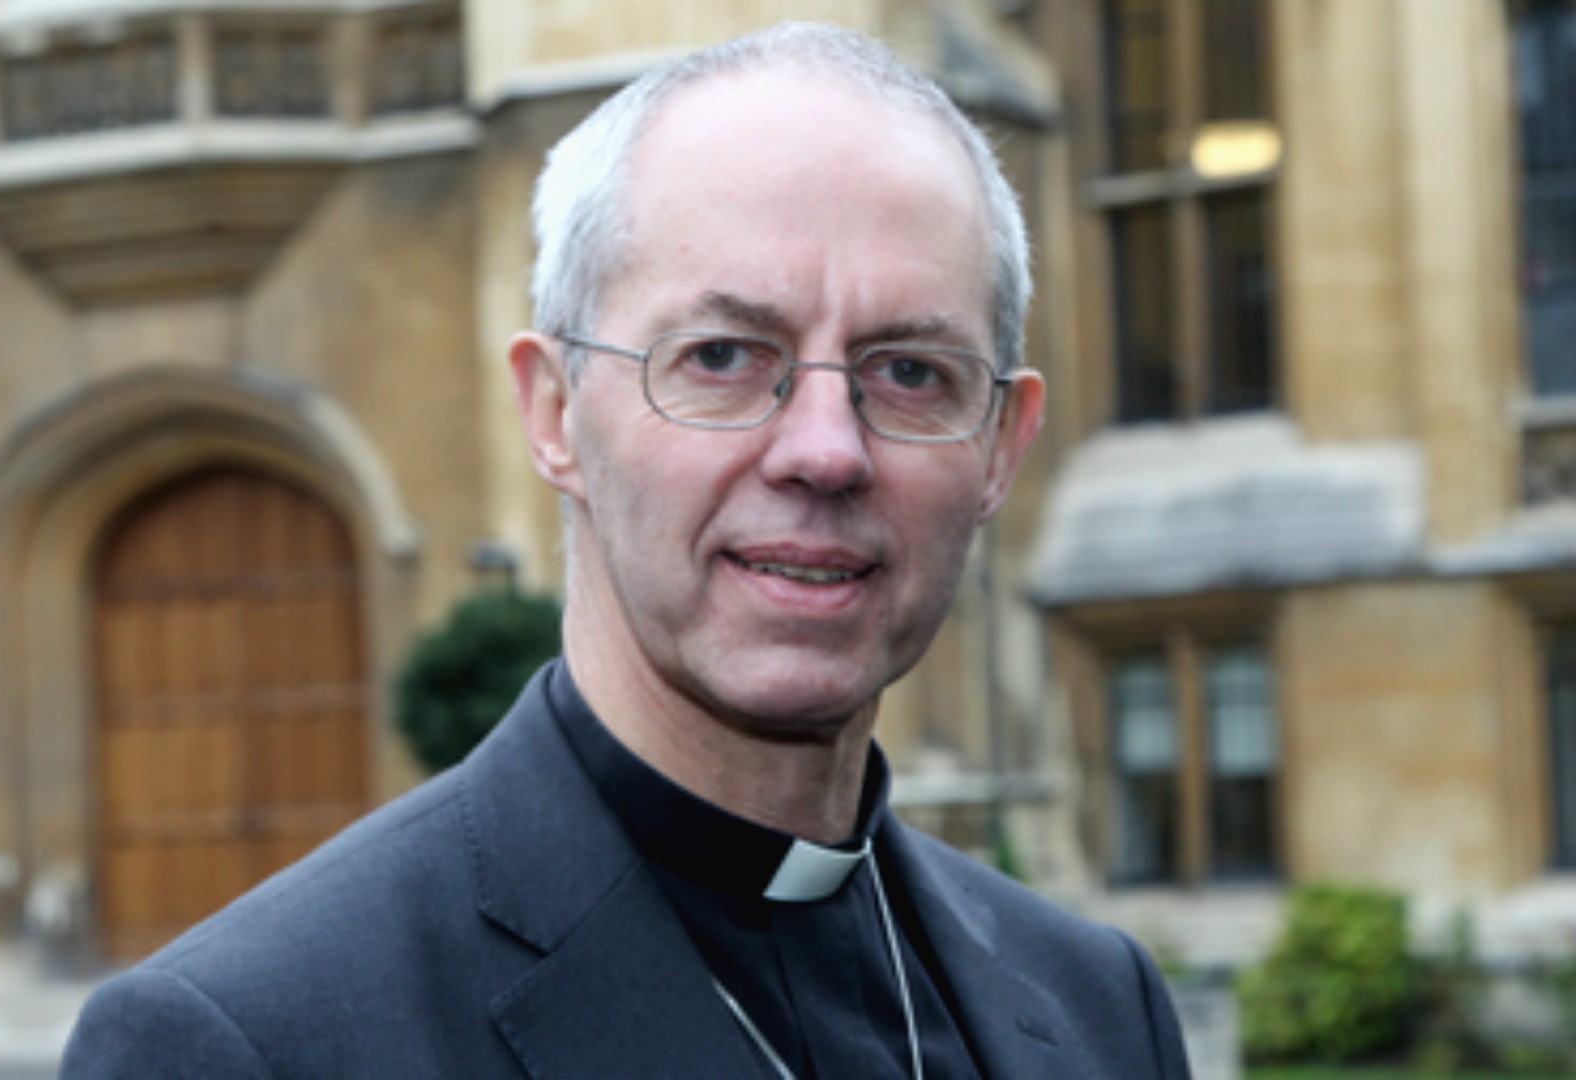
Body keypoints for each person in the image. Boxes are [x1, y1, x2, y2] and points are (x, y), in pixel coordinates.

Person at [61, 22, 1191, 1079]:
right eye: (721, 356)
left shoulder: (1101, 1008)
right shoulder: (252, 1041)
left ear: (1001, 445)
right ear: (556, 413)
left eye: (909, 372)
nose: (824, 451)